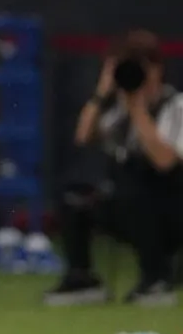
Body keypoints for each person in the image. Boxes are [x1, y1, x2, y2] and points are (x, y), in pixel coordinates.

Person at [45, 30, 183, 306]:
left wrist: (138, 108)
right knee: (76, 198)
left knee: (137, 193)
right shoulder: (117, 111)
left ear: (156, 70)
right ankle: (81, 278)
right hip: (131, 207)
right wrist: (102, 92)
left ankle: (156, 278)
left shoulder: (175, 106)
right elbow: (83, 137)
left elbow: (165, 161)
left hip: (171, 209)